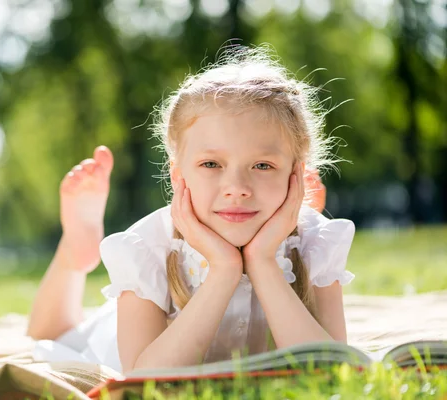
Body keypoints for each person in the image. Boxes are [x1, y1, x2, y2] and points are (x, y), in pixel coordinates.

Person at [28, 46, 355, 374]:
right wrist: (224, 269)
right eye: (211, 164)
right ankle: (73, 253)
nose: (236, 186)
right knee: (53, 338)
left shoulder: (315, 243)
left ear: (296, 176)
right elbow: (144, 381)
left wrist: (263, 262)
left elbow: (331, 371)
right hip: (120, 340)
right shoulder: (148, 248)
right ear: (178, 176)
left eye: (263, 165)